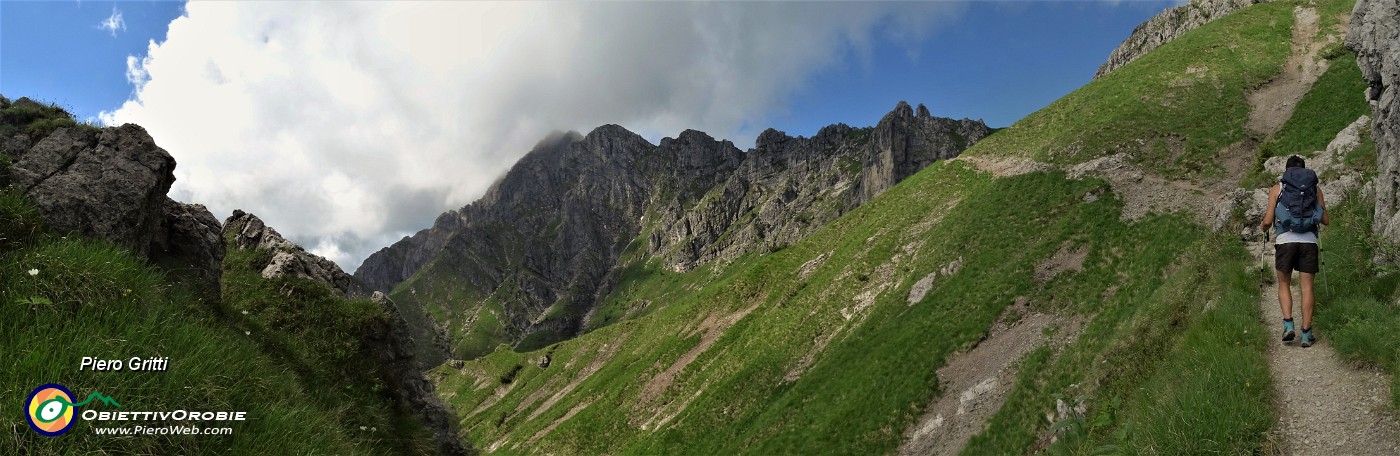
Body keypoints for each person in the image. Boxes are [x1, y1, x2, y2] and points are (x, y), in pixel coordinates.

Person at [1259, 155, 1329, 347]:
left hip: (1285, 241)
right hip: (1309, 242)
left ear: (1287, 171)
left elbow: (1267, 220)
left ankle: (1288, 324)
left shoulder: (1278, 188)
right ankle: (1306, 333)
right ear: (1305, 171)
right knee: (1307, 287)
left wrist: (1264, 227)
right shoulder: (1315, 189)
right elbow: (1325, 219)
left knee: (1284, 283)